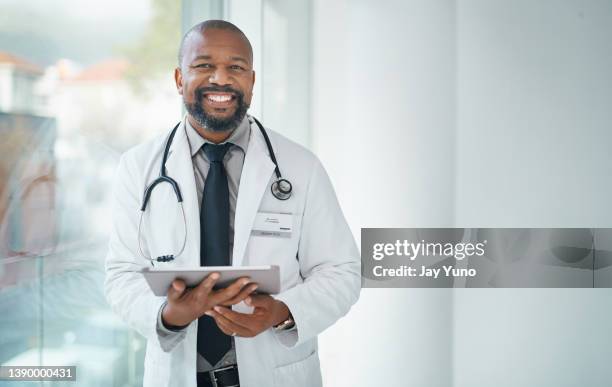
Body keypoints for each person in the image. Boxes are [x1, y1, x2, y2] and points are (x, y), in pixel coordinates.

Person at [104, 20, 360, 387]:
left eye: (235, 67)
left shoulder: (300, 167)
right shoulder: (137, 167)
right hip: (178, 373)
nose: (220, 79)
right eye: (204, 65)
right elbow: (121, 275)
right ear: (179, 78)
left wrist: (283, 312)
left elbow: (342, 270)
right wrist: (168, 315)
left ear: (252, 82)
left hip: (275, 371)